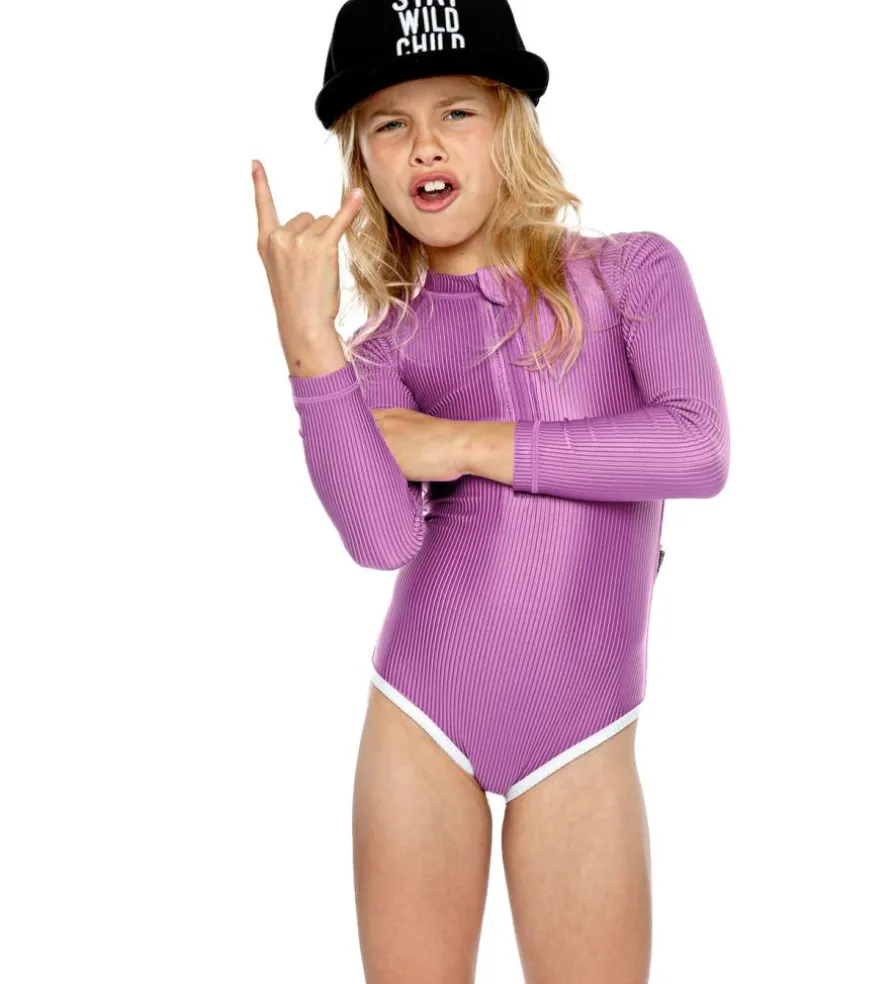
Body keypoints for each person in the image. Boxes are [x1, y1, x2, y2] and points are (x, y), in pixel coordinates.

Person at [252, 0, 730, 980]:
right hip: (420, 714)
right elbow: (382, 539)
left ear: (510, 120)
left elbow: (694, 450)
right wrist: (308, 341)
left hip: (585, 726)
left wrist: (461, 443)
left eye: (457, 111)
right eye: (390, 123)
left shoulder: (631, 273)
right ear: (362, 162)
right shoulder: (381, 349)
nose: (425, 144)